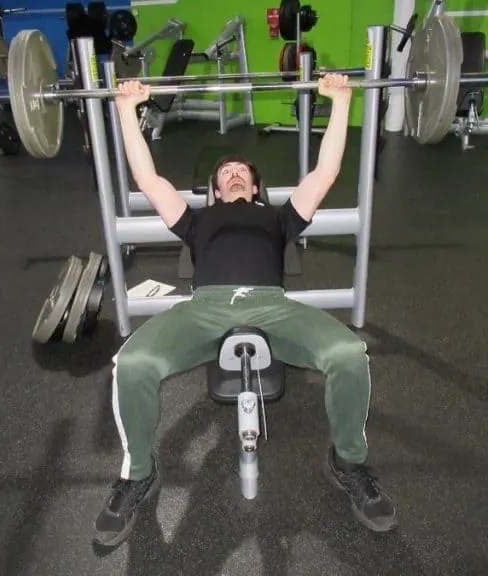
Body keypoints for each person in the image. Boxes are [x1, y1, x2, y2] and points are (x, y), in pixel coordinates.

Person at [93, 75, 397, 547]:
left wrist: (340, 101)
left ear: (256, 186)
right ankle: (138, 474)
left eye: (241, 171)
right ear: (214, 188)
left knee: (349, 353)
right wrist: (126, 110)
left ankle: (349, 462)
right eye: (225, 171)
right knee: (132, 363)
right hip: (204, 309)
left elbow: (325, 173)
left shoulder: (278, 218)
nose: (233, 173)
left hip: (273, 307)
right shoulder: (197, 221)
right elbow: (148, 180)